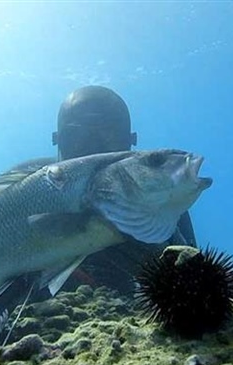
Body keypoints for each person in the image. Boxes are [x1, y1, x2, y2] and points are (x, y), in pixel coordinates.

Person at [52, 85, 198, 293]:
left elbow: (194, 279)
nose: (93, 149)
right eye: (77, 136)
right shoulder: (28, 192)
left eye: (109, 133)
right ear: (58, 141)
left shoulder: (162, 199)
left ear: (130, 142)